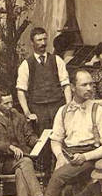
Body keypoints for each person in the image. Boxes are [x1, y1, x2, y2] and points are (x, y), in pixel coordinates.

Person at [16, 26, 72, 177]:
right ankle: (45, 177)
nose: (43, 43)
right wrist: (27, 112)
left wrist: (68, 106)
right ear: (32, 43)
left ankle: (61, 173)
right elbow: (21, 90)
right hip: (38, 109)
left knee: (61, 139)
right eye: (39, 40)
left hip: (57, 106)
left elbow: (66, 84)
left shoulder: (57, 60)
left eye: (44, 39)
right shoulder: (27, 64)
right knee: (43, 143)